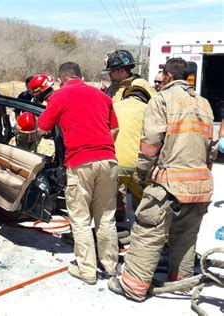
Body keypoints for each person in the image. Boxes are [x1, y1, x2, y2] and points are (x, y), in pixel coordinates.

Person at [108, 58, 218, 302]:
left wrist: (142, 172)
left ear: (168, 75)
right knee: (186, 235)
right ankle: (180, 281)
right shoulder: (204, 104)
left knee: (148, 231)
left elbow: (151, 143)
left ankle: (133, 287)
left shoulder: (162, 99)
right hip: (200, 183)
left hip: (170, 182)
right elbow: (211, 147)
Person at [37, 62, 119, 285]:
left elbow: (42, 128)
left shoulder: (60, 96)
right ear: (81, 77)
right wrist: (102, 148)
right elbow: (115, 128)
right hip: (109, 160)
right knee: (106, 217)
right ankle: (111, 266)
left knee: (81, 220)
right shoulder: (102, 96)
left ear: (61, 80)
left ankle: (87, 271)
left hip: (80, 163)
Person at [103, 49, 155, 220]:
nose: (109, 75)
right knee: (114, 193)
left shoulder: (141, 87)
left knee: (141, 194)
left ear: (121, 70)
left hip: (136, 147)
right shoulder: (112, 88)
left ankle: (145, 229)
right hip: (115, 147)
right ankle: (118, 223)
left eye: (111, 71)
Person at [114, 81, 155, 215]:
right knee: (142, 200)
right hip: (138, 166)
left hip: (114, 163)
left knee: (114, 195)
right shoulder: (149, 110)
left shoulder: (114, 106)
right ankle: (140, 226)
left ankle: (118, 217)